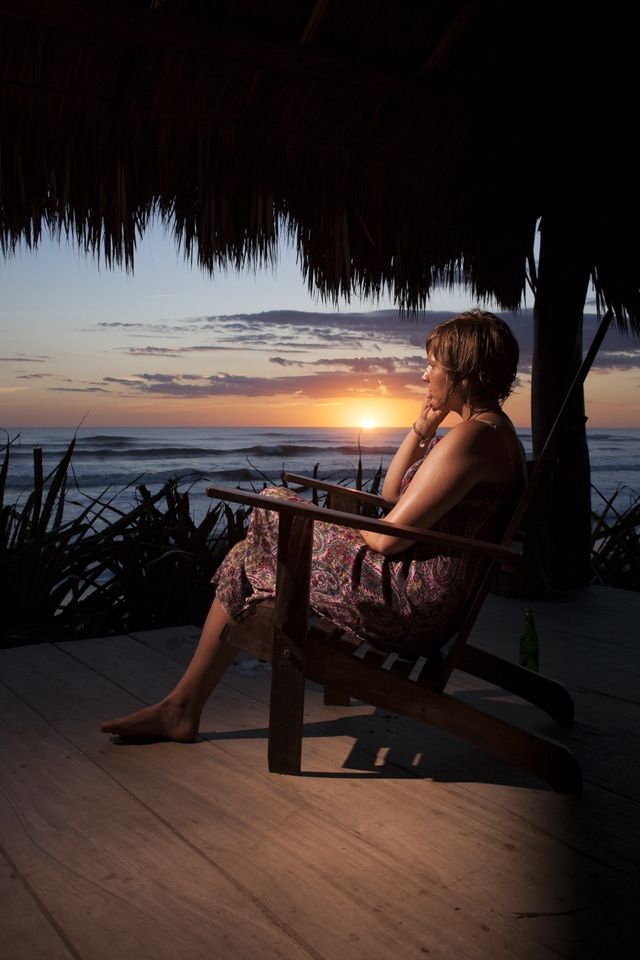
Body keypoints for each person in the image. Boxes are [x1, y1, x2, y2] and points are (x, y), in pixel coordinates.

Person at [101, 309, 525, 742]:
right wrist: (421, 428)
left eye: (433, 364)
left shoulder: (473, 438)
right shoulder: (488, 432)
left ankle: (182, 707)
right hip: (418, 591)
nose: (424, 375)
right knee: (247, 553)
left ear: (464, 374)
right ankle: (182, 706)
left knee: (272, 503)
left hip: (406, 603)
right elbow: (395, 495)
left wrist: (334, 526)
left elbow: (384, 538)